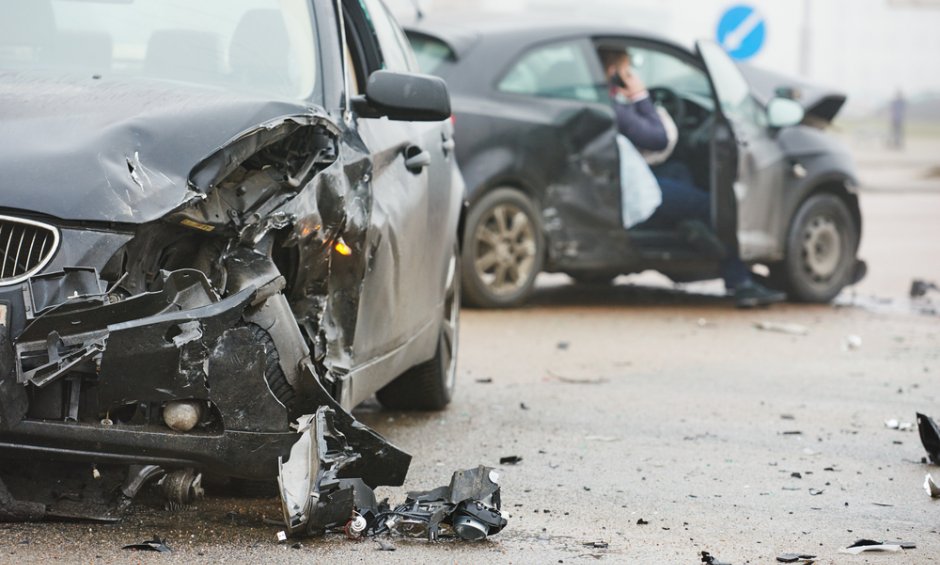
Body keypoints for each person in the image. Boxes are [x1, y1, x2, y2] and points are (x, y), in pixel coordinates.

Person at [600, 48, 785, 308]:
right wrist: (641, 96)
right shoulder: (614, 108)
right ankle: (739, 280)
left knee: (679, 171)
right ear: (614, 72)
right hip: (630, 190)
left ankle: (687, 228)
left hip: (622, 179)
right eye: (627, 71)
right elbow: (657, 138)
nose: (631, 76)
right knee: (714, 207)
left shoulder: (601, 102)